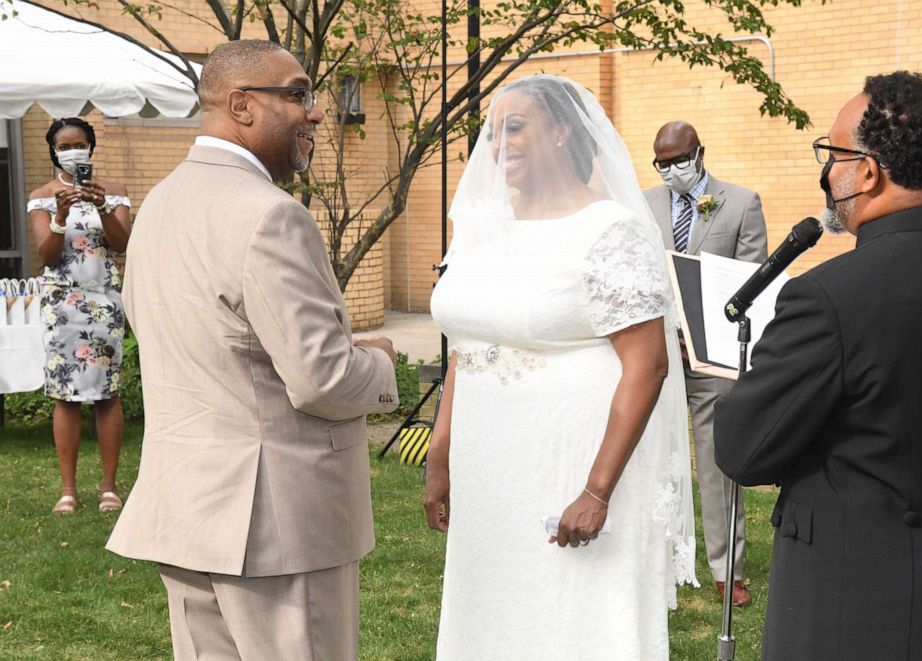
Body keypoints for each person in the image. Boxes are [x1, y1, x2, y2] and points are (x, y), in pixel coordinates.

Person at [105, 40, 399, 661]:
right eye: (297, 94)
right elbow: (322, 380)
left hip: (185, 510)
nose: (315, 112)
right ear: (240, 105)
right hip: (276, 523)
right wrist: (381, 360)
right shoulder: (271, 216)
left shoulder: (158, 204)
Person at [714, 71, 922, 660]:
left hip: (860, 598)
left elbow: (745, 452)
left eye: (832, 153)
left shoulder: (827, 297)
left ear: (867, 171)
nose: (827, 170)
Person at [426, 74, 697, 660]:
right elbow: (465, 347)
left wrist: (596, 492)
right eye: (492, 133)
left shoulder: (610, 231)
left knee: (573, 610)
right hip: (488, 467)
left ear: (563, 130)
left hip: (570, 460)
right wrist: (441, 452)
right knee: (493, 607)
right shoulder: (480, 228)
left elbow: (647, 366)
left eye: (515, 127)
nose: (499, 145)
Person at [644, 121, 767, 607]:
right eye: (662, 162)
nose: (671, 169)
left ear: (699, 153)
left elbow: (747, 283)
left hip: (709, 357)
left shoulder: (741, 203)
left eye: (679, 159)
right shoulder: (641, 205)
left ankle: (727, 568)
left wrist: (696, 336)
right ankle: (652, 559)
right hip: (653, 354)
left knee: (718, 462)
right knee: (647, 458)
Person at [27, 117, 132, 515]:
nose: (73, 151)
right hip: (62, 305)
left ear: (91, 147)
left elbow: (121, 244)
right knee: (65, 396)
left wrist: (103, 206)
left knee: (107, 394)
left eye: (80, 144)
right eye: (64, 145)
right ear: (53, 150)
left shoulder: (116, 193)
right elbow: (47, 255)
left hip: (104, 302)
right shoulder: (42, 196)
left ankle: (108, 486)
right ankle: (68, 489)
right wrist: (58, 216)